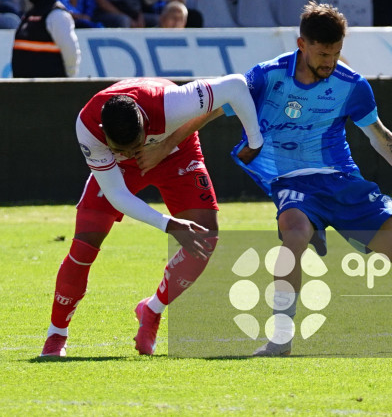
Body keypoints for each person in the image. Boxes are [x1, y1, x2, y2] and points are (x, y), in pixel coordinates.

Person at [229, 1, 392, 356]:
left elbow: (380, 136)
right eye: (323, 53)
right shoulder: (267, 75)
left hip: (341, 180)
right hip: (293, 180)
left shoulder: (351, 84)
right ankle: (280, 338)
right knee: (292, 238)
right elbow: (216, 103)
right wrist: (168, 142)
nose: (330, 62)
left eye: (337, 53)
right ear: (302, 44)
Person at [39, 74, 265, 357]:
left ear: (145, 125)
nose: (132, 154)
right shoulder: (88, 128)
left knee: (204, 239)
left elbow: (236, 86)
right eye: (121, 149)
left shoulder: (171, 104)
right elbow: (118, 196)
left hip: (175, 152)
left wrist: (255, 141)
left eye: (136, 145)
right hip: (118, 170)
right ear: (103, 132)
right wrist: (168, 224)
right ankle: (56, 335)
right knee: (84, 244)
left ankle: (152, 309)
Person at [11, 0, 80, 77]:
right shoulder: (29, 15)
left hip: (51, 92)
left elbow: (71, 55)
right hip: (24, 92)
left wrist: (68, 84)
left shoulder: (58, 16)